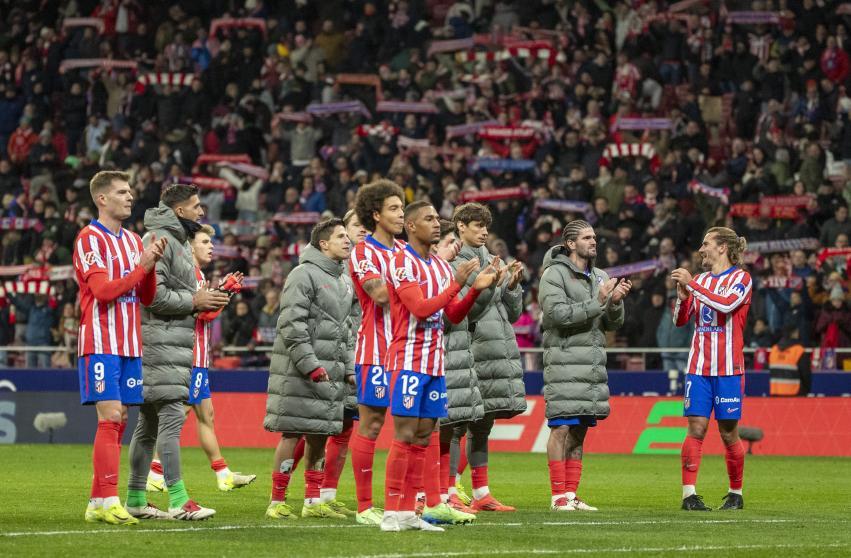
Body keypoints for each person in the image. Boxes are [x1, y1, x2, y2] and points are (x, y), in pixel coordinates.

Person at [380, 201, 498, 532]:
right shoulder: (402, 262)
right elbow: (419, 308)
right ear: (411, 227)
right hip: (408, 360)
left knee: (422, 437)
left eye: (436, 218)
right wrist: (458, 284)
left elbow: (451, 316)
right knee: (404, 435)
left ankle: (409, 513)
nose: (436, 224)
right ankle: (391, 511)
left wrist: (474, 291)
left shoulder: (439, 266)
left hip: (435, 362)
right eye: (429, 219)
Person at [126, 184, 230, 521]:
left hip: (168, 344)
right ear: (180, 210)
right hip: (160, 345)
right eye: (196, 206)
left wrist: (204, 300)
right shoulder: (161, 240)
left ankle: (136, 499)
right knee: (170, 420)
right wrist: (194, 301)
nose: (201, 212)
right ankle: (178, 500)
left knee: (148, 426)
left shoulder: (177, 241)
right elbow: (152, 297)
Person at [74, 170, 166, 525]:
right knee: (110, 416)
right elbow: (102, 292)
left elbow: (146, 296)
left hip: (129, 341)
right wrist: (142, 266)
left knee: (121, 418)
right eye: (122, 192)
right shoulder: (89, 239)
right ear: (102, 199)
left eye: (130, 192)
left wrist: (151, 266)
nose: (130, 197)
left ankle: (98, 502)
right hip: (100, 339)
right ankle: (109, 498)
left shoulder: (131, 241)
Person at [145, 224, 255, 493]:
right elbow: (199, 313)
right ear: (190, 246)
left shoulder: (198, 275)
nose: (211, 246)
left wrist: (223, 291)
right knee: (177, 416)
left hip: (198, 358)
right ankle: (154, 471)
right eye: (205, 241)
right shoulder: (187, 275)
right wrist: (226, 293)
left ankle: (223, 473)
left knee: (207, 415)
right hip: (188, 358)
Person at [264, 218, 354, 520]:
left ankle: (313, 502)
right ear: (323, 244)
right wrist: (310, 364)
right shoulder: (302, 274)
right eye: (340, 236)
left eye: (347, 236)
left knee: (320, 434)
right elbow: (291, 325)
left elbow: (347, 331)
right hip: (301, 372)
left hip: (332, 373)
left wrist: (350, 368)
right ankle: (277, 502)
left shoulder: (343, 280)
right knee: (292, 434)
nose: (347, 240)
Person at [539, 219, 630, 512]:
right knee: (561, 429)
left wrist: (614, 302)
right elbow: (556, 315)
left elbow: (613, 323)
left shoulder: (601, 275)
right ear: (570, 243)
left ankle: (571, 494)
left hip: (591, 367)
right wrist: (598, 300)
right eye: (587, 237)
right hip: (564, 362)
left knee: (579, 433)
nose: (594, 241)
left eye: (594, 237)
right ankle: (557, 497)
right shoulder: (554, 274)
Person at [451, 202, 526, 512]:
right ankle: (450, 488)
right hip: (472, 349)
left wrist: (512, 286)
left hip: (496, 350)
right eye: (476, 225)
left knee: (483, 424)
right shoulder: (459, 262)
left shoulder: (491, 260)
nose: (483, 231)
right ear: (460, 228)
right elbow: (469, 309)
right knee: (458, 423)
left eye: (485, 226)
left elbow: (513, 314)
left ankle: (481, 493)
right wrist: (495, 283)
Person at [672, 227, 752, 511]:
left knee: (729, 432)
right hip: (698, 368)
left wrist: (691, 285)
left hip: (729, 369)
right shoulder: (702, 280)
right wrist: (682, 297)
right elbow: (681, 321)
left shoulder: (741, 278)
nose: (701, 249)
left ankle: (735, 493)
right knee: (696, 427)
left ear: (722, 248)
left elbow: (727, 304)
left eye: (706, 243)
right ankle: (688, 495)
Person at [347, 180, 407, 525]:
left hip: (409, 351)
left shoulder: (405, 250)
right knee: (371, 424)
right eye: (394, 209)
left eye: (402, 208)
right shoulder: (363, 252)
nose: (401, 215)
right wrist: (414, 284)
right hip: (376, 350)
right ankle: (365, 506)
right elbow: (380, 294)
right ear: (376, 214)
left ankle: (410, 500)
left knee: (415, 427)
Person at [437, 219, 483, 516]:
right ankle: (423, 494)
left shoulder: (446, 272)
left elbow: (454, 315)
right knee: (426, 431)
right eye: (449, 242)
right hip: (430, 360)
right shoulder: (425, 271)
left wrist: (476, 289)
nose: (456, 247)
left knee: (453, 428)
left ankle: (445, 491)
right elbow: (436, 317)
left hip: (457, 358)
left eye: (456, 242)